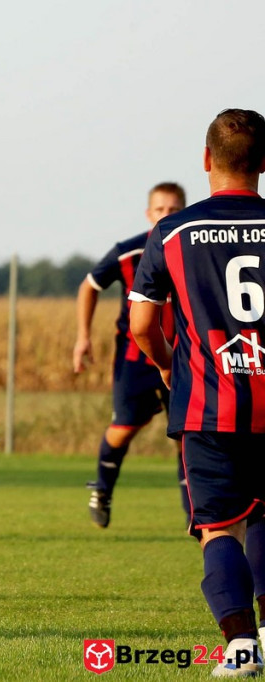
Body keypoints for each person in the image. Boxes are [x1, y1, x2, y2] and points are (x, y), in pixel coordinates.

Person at [130, 108, 265, 677]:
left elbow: (141, 327)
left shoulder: (172, 233)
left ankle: (240, 647)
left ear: (206, 161)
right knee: (262, 518)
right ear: (262, 166)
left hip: (208, 408)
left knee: (219, 527)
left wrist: (166, 367)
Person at [73, 182, 189, 528]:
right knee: (122, 429)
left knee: (188, 437)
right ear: (148, 213)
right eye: (160, 209)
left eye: (174, 209)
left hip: (185, 358)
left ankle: (194, 516)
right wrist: (83, 337)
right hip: (136, 359)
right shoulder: (129, 252)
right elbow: (89, 286)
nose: (166, 215)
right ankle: (102, 490)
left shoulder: (192, 247)